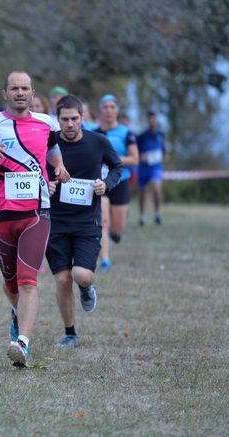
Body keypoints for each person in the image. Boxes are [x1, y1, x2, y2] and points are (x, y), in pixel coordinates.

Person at [0, 71, 70, 367]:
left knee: (28, 282)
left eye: (25, 88)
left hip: (37, 212)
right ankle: (16, 315)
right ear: (5, 93)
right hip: (1, 213)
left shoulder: (46, 123)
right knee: (10, 285)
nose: (20, 93)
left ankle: (22, 343)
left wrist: (60, 167)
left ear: (33, 92)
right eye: (15, 88)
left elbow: (52, 150)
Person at [45, 95, 123, 347]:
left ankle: (87, 288)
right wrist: (45, 185)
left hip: (86, 222)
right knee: (62, 278)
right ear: (58, 119)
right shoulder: (49, 142)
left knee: (81, 275)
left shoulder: (98, 142)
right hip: (55, 220)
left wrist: (106, 184)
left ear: (83, 118)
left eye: (74, 118)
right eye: (64, 119)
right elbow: (34, 167)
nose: (69, 124)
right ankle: (70, 333)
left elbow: (117, 167)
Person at [95, 94, 139, 272]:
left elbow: (135, 158)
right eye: (105, 107)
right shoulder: (94, 133)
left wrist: (114, 160)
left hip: (121, 182)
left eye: (112, 107)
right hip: (101, 182)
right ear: (101, 111)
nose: (109, 111)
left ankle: (116, 234)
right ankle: (105, 259)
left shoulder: (126, 133)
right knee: (102, 221)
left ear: (117, 111)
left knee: (117, 230)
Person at [137, 111, 167, 226]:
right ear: (148, 120)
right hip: (144, 168)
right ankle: (142, 216)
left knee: (157, 189)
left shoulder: (161, 135)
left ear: (156, 120)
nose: (152, 121)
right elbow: (136, 152)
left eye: (154, 119)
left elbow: (164, 151)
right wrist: (141, 156)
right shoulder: (142, 136)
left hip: (156, 167)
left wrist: (165, 156)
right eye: (150, 119)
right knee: (142, 192)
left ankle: (157, 214)